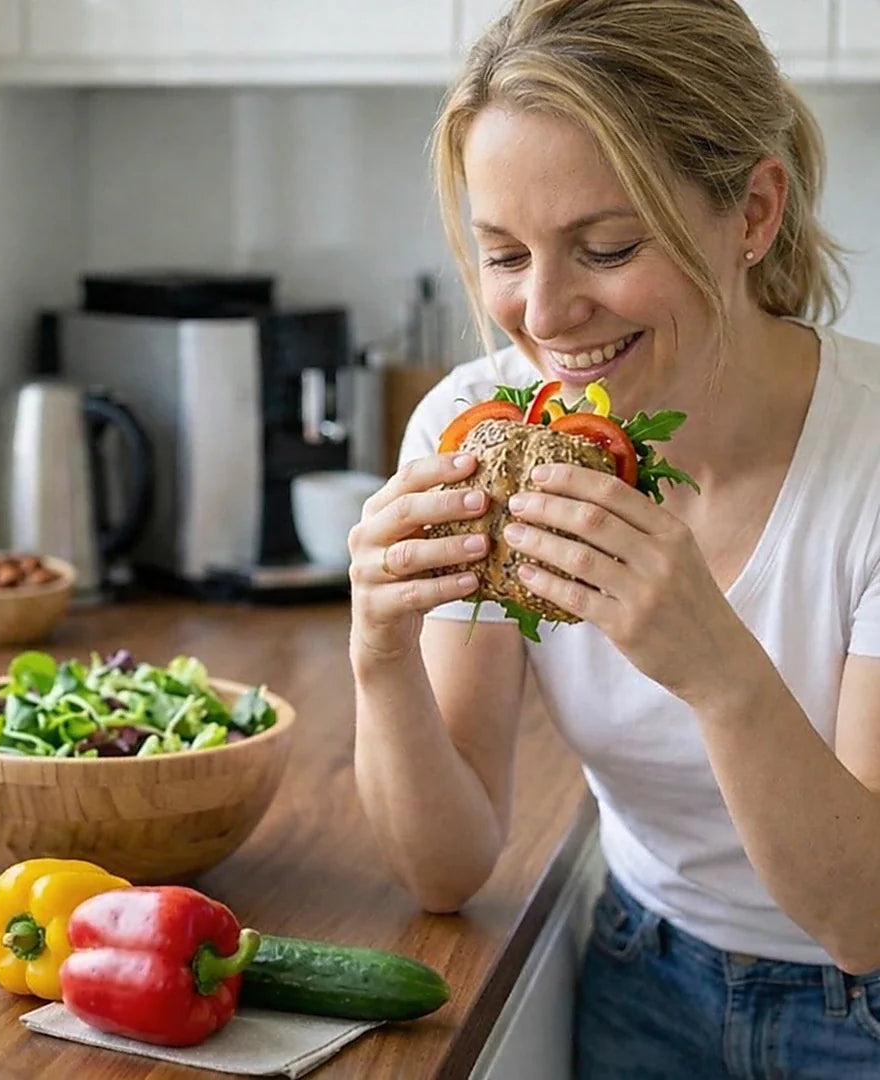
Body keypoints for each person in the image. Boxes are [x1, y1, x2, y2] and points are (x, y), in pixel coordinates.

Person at [347, 1, 880, 1076]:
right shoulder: (481, 425)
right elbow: (445, 870)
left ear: (754, 212)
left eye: (607, 246)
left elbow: (864, 921)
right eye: (504, 256)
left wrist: (720, 669)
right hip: (639, 974)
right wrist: (379, 652)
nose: (544, 316)